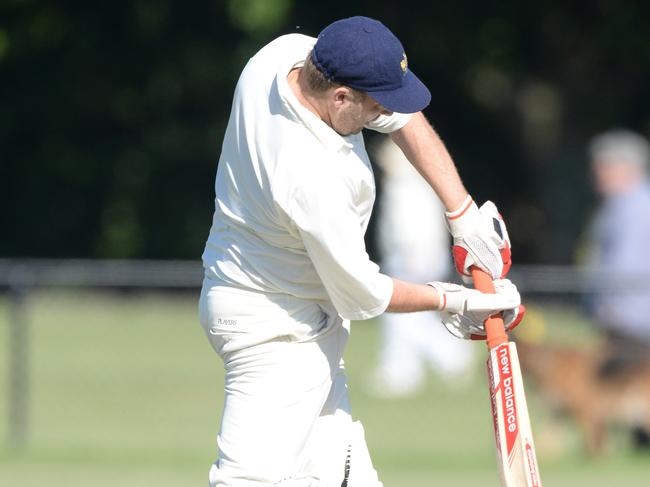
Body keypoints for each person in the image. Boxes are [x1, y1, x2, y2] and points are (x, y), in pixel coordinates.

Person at [199, 16, 522, 487]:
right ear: (341, 96)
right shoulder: (309, 176)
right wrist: (456, 299)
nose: (382, 113)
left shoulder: (282, 56)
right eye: (374, 104)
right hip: (272, 331)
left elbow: (404, 118)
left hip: (297, 316)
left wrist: (463, 215)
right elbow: (363, 293)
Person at [369, 136, 474, 397]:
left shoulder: (408, 187)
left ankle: (450, 357)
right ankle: (402, 370)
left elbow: (416, 228)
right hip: (407, 256)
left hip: (413, 256)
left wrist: (415, 256)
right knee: (401, 317)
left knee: (406, 314)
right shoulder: (406, 184)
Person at [586, 129, 650, 449]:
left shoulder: (632, 207)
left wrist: (610, 309)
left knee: (624, 386)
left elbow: (623, 267)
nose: (596, 173)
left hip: (633, 318)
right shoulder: (628, 203)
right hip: (633, 315)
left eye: (603, 166)